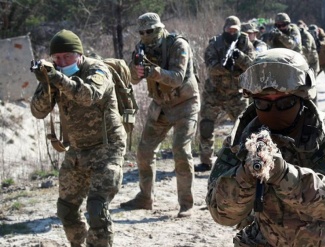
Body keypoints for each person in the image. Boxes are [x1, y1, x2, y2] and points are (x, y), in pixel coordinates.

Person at [206, 48, 325, 246]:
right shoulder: (240, 142)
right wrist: (245, 176)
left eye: (285, 102)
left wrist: (283, 174)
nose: (274, 110)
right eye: (263, 103)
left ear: (301, 97)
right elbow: (222, 214)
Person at [31, 29, 126, 246]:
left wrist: (58, 78)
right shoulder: (54, 74)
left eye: (68, 56)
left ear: (79, 54)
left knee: (96, 209)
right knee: (66, 210)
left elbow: (89, 95)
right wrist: (47, 84)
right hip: (77, 150)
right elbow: (38, 112)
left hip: (107, 148)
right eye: (58, 58)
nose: (63, 62)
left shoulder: (97, 70)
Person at [120, 12, 200, 218]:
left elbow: (177, 78)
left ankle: (186, 204)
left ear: (160, 28)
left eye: (150, 31)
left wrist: (153, 72)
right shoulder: (141, 48)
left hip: (185, 103)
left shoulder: (177, 45)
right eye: (142, 32)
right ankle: (145, 197)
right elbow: (133, 79)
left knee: (181, 151)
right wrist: (136, 70)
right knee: (144, 151)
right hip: (161, 105)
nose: (146, 35)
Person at [195, 16, 255, 172]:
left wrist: (239, 58)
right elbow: (210, 68)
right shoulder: (215, 44)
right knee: (207, 126)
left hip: (237, 94)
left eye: (235, 30)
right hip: (214, 92)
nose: (232, 32)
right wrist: (226, 66)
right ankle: (206, 161)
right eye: (229, 30)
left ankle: (245, 159)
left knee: (245, 128)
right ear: (224, 29)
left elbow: (252, 66)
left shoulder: (245, 43)